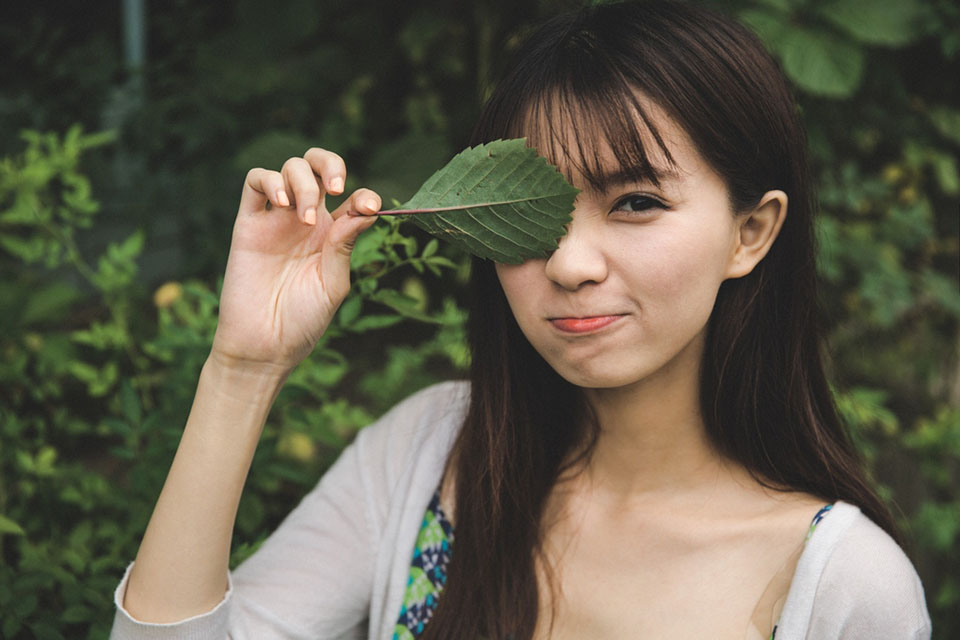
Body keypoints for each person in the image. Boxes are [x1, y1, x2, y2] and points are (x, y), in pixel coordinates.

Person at [110, 1, 931, 638]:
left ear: (750, 233)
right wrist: (243, 369)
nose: (570, 264)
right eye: (533, 216)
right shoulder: (428, 458)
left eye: (636, 202)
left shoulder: (844, 586)